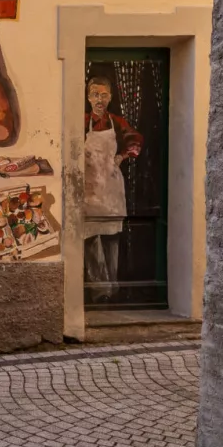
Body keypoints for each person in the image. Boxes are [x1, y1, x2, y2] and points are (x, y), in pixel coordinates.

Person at [83, 76, 142, 301]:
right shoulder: (82, 121)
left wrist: (122, 156)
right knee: (89, 237)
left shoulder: (116, 122)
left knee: (111, 237)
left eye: (104, 95)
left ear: (110, 97)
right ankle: (98, 288)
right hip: (89, 188)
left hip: (110, 187)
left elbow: (135, 140)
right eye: (95, 95)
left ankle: (113, 287)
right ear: (88, 98)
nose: (99, 100)